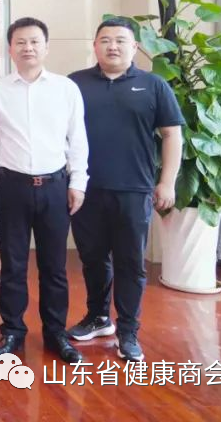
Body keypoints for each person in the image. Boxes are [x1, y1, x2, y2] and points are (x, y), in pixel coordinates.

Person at [67, 18, 184, 362]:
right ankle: (98, 317)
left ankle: (128, 330)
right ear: (95, 46)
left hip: (134, 190)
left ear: (134, 47)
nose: (112, 46)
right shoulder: (75, 84)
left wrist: (167, 181)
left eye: (120, 40)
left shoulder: (153, 85)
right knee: (92, 258)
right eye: (105, 40)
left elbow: (172, 135)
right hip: (85, 189)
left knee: (130, 262)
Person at [0, 17, 88, 364]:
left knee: (54, 266)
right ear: (10, 49)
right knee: (12, 264)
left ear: (46, 47)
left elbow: (77, 139)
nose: (28, 48)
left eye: (35, 41)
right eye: (21, 42)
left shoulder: (65, 89)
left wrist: (78, 182)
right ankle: (12, 330)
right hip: (12, 186)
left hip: (55, 186)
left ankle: (55, 332)